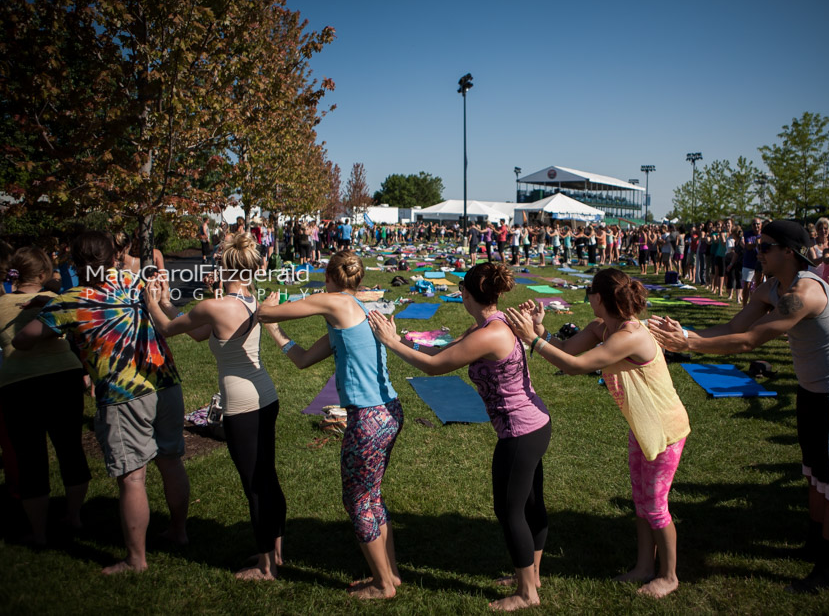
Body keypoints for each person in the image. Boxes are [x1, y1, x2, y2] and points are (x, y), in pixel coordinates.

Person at [649, 220, 829, 593]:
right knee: (815, 474)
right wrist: (682, 335)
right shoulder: (772, 288)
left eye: (764, 247)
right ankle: (814, 544)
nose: (756, 252)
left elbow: (748, 342)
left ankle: (826, 569)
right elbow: (734, 325)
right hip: (811, 391)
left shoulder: (805, 293)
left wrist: (691, 346)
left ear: (789, 253)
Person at [369, 262, 549, 610]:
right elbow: (440, 353)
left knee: (511, 511)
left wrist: (390, 343)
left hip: (520, 432)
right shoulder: (487, 325)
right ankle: (532, 575)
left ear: (466, 294)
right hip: (534, 424)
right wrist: (404, 339)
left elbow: (435, 368)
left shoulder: (489, 334)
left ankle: (527, 592)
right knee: (529, 505)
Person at [506, 268, 689, 599]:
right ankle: (644, 566)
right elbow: (565, 348)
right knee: (642, 501)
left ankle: (670, 575)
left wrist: (531, 339)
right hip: (643, 426)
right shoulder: (602, 327)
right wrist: (539, 330)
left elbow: (575, 366)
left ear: (599, 297)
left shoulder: (630, 336)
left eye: (590, 290)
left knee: (656, 505)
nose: (587, 296)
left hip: (666, 428)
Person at [13, 231, 189, 574]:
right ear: (113, 257)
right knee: (171, 460)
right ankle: (179, 532)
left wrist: (50, 306)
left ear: (74, 261)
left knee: (133, 477)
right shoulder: (135, 281)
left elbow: (23, 340)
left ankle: (136, 560)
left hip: (123, 396)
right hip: (165, 382)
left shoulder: (71, 300)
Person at [258, 251, 402, 600]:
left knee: (356, 503)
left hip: (368, 418)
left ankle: (382, 586)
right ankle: (391, 574)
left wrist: (268, 307)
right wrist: (276, 334)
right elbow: (305, 359)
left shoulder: (336, 303)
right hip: (388, 412)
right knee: (372, 496)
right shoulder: (360, 311)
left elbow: (265, 311)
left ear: (330, 277)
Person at [145, 233, 285, 580]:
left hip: (242, 405)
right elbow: (195, 331)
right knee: (267, 478)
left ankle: (266, 568)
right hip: (265, 396)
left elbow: (166, 329)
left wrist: (150, 301)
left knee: (254, 484)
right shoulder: (249, 300)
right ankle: (276, 552)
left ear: (223, 265)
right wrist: (165, 301)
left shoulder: (215, 305)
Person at [0, 247, 91, 545]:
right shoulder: (54, 301)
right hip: (62, 377)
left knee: (29, 457)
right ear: (42, 274)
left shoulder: (1, 305)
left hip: (18, 382)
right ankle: (75, 516)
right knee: (70, 447)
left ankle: (38, 532)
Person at [740, 219, 763, 307]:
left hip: (760, 262)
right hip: (749, 262)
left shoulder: (764, 235)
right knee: (747, 285)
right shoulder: (748, 234)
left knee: (759, 285)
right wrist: (757, 244)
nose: (756, 226)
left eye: (758, 224)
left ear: (761, 225)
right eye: (754, 224)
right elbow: (748, 246)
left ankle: (756, 305)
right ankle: (744, 306)